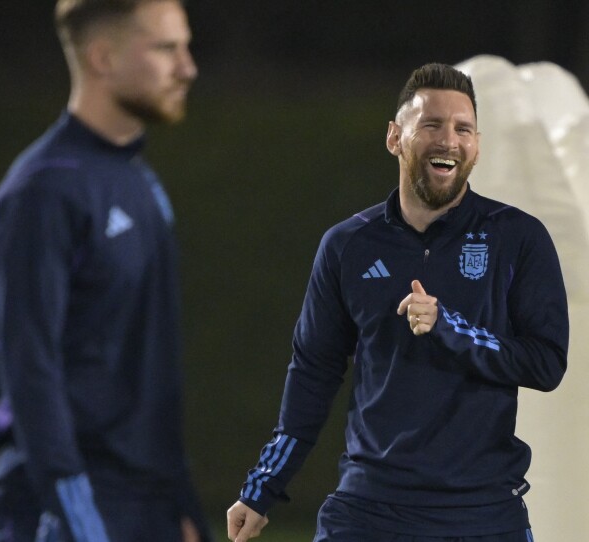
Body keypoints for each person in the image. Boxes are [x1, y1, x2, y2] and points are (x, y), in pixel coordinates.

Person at [227, 63, 568, 542]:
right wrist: (262, 488)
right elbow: (313, 372)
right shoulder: (348, 245)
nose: (449, 139)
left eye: (463, 128)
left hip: (482, 514)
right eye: (432, 124)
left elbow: (547, 363)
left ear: (476, 144)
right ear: (395, 137)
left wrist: (450, 328)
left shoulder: (518, 237)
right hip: (369, 510)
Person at [0, 1, 210, 541]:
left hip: (144, 501)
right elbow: (29, 372)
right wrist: (78, 519)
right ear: (103, 57)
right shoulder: (43, 190)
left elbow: (149, 366)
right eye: (165, 49)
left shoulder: (139, 180)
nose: (188, 67)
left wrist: (178, 499)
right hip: (65, 506)